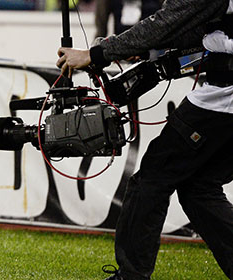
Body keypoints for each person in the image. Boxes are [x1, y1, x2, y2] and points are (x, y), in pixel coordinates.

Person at [56, 0, 233, 279]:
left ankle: (131, 276)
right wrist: (140, 47)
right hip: (224, 94)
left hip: (225, 97)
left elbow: (168, 21)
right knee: (200, 187)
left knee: (152, 177)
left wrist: (97, 53)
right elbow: (193, 25)